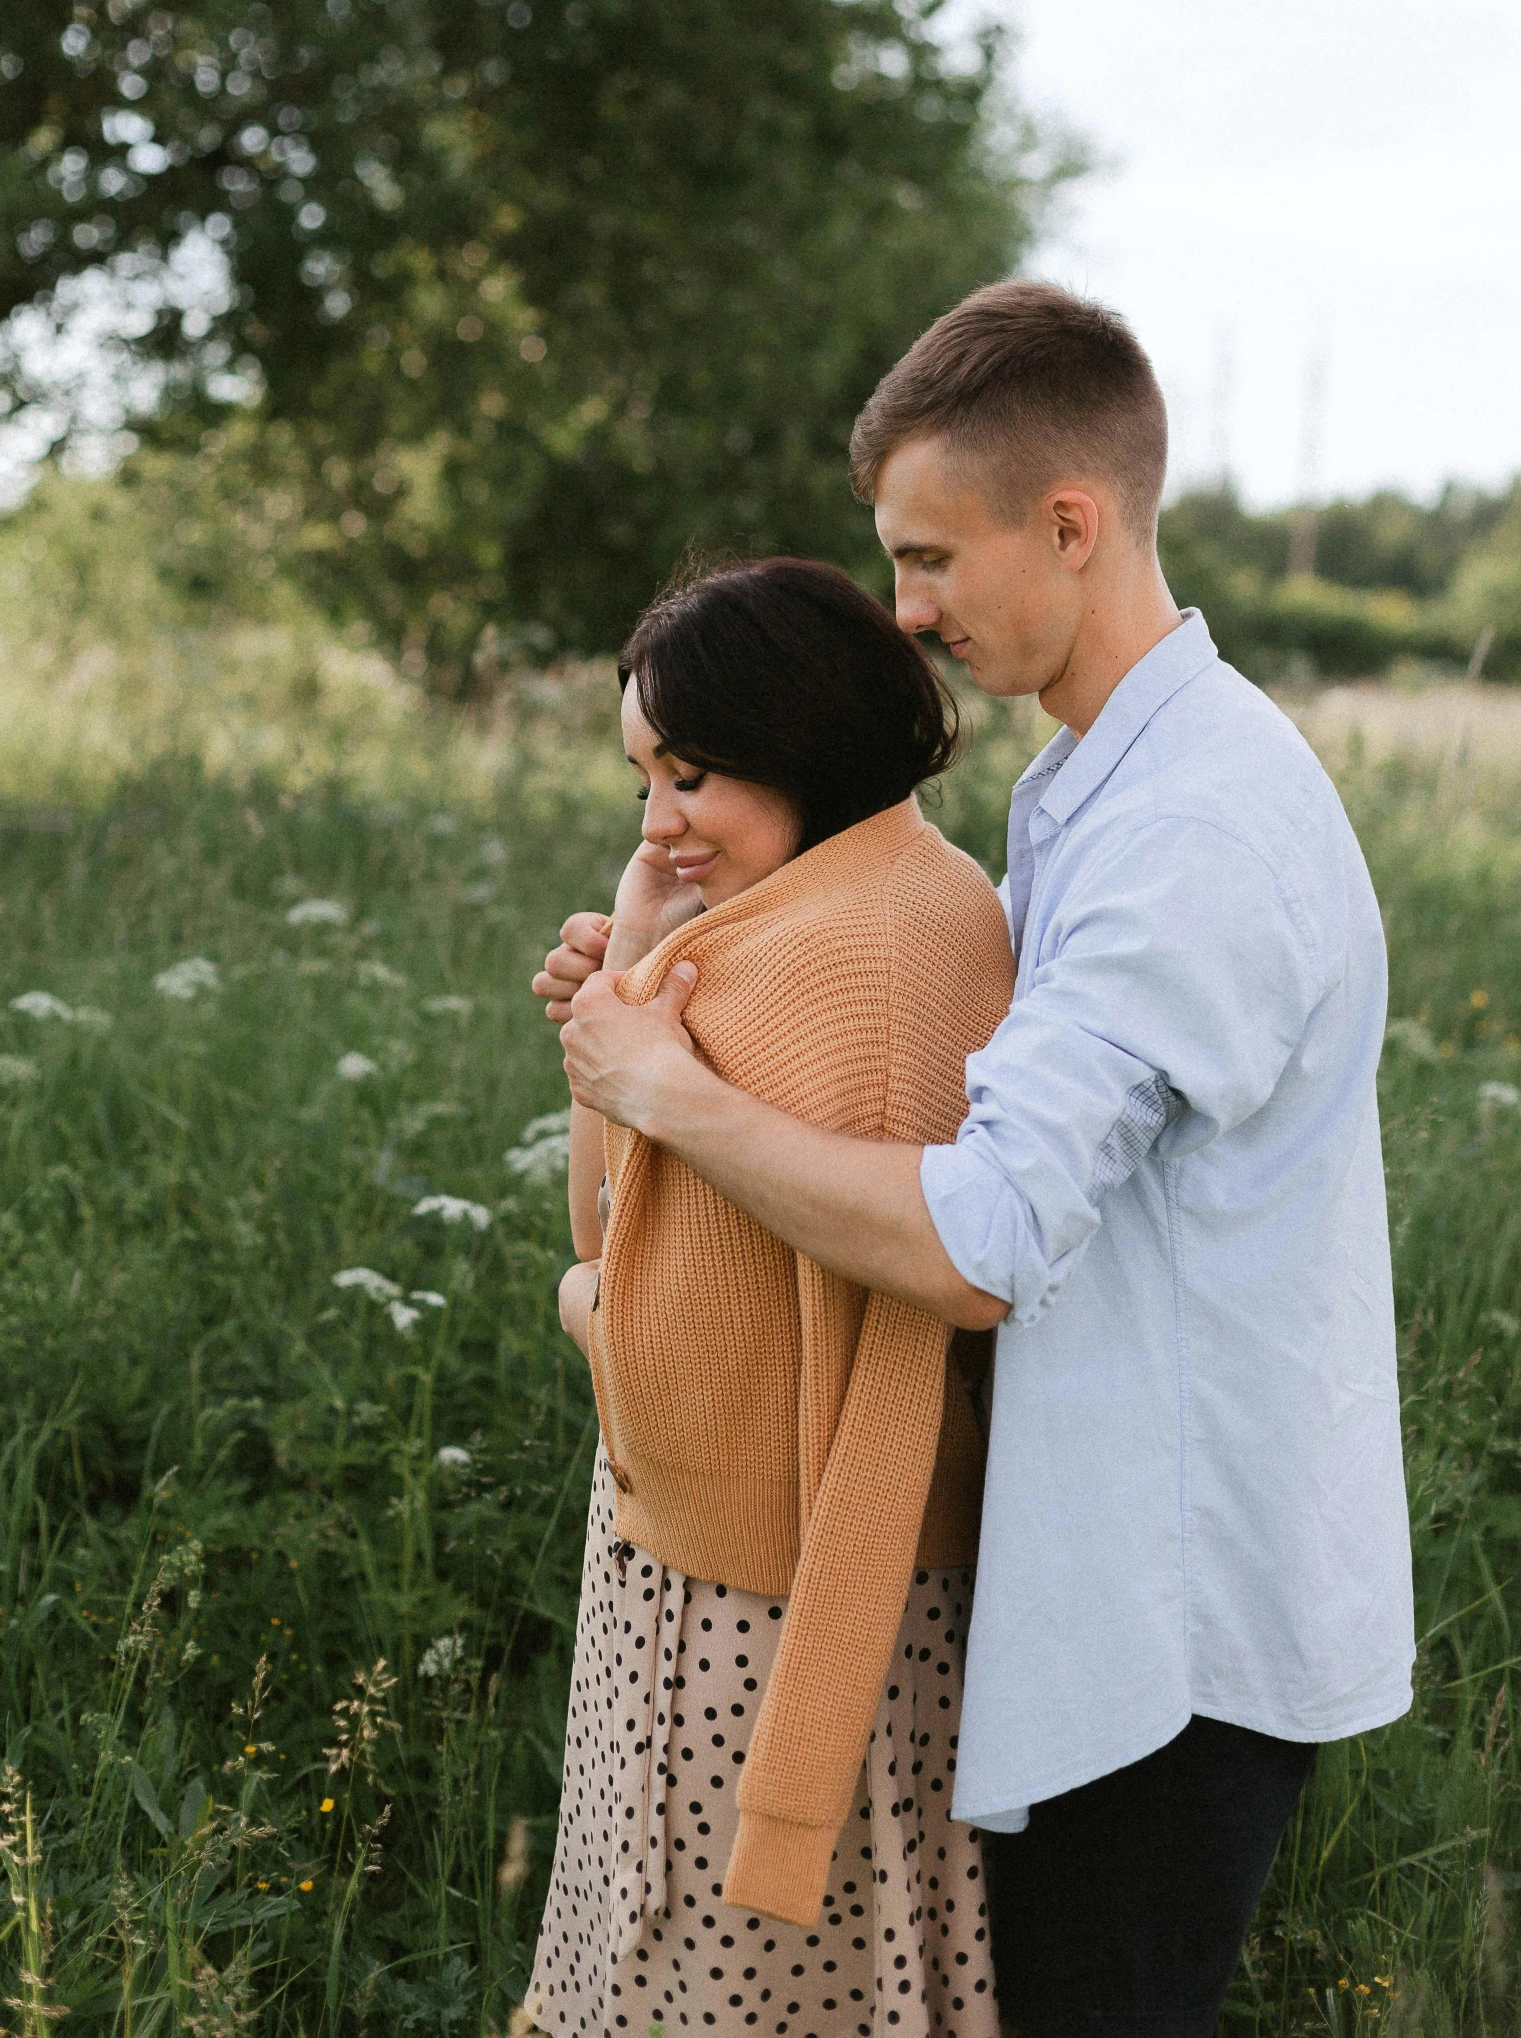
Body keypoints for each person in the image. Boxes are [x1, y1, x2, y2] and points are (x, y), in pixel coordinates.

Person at [538, 282, 1417, 2038]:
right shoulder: (1094, 778)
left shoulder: (1196, 827)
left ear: (1070, 525)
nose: (906, 607)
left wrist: (664, 1089)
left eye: (931, 556)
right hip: (1087, 1578)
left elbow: (981, 1238)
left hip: (1174, 1621)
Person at [523, 557, 1015, 2038]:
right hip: (688, 1567)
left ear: (801, 742)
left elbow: (888, 1331)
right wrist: (640, 941)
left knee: (738, 1994)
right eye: (638, 782)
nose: (659, 818)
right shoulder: (803, 910)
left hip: (787, 1607)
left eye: (691, 775)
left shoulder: (860, 961)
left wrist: (580, 1304)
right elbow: (619, 1219)